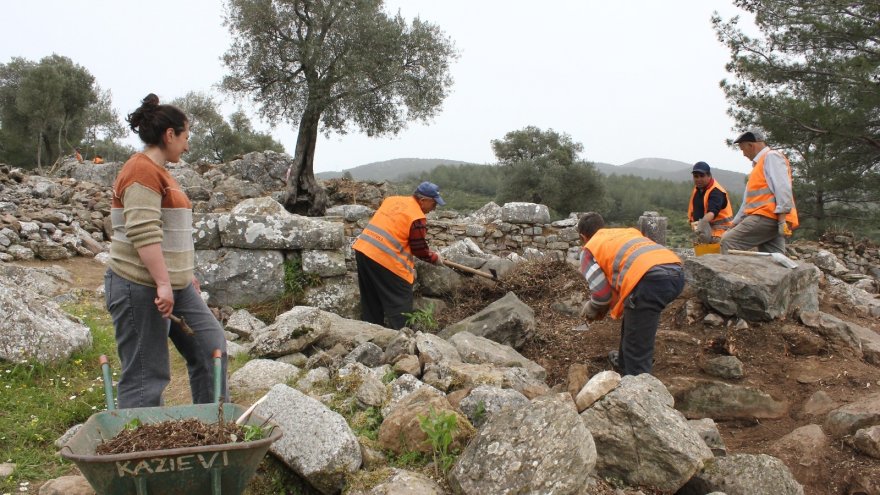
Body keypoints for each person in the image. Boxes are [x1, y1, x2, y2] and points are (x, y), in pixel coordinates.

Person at [105, 93, 227, 408]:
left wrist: (186, 276)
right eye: (186, 136)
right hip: (139, 284)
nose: (188, 145)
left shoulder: (161, 173)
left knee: (210, 346)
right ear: (169, 134)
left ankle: (211, 430)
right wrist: (162, 282)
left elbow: (171, 231)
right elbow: (143, 231)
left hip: (176, 284)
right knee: (147, 375)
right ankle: (142, 452)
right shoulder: (141, 170)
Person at [577, 212, 684, 376]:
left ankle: (637, 387)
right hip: (676, 272)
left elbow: (602, 295)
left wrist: (593, 307)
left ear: (583, 237)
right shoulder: (625, 232)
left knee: (637, 350)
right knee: (634, 315)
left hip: (650, 281)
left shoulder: (590, 248)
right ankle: (622, 362)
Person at [352, 181, 446, 329]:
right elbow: (419, 249)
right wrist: (434, 258)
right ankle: (402, 338)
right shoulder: (416, 217)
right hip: (384, 258)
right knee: (400, 298)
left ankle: (371, 333)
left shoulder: (392, 200)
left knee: (371, 299)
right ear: (423, 200)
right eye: (434, 204)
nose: (434, 209)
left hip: (363, 250)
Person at [721, 130, 798, 254]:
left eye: (743, 149)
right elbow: (747, 202)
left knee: (728, 242)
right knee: (774, 257)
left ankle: (733, 274)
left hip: (766, 216)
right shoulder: (759, 166)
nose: (743, 154)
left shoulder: (771, 157)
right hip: (771, 218)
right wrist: (734, 223)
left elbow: (782, 188)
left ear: (751, 145)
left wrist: (782, 220)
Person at [688, 161, 733, 244]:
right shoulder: (698, 189)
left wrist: (700, 225)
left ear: (709, 176)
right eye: (696, 176)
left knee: (713, 255)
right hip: (705, 231)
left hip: (719, 233)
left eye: (702, 176)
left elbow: (712, 212)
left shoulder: (716, 191)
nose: (698, 179)